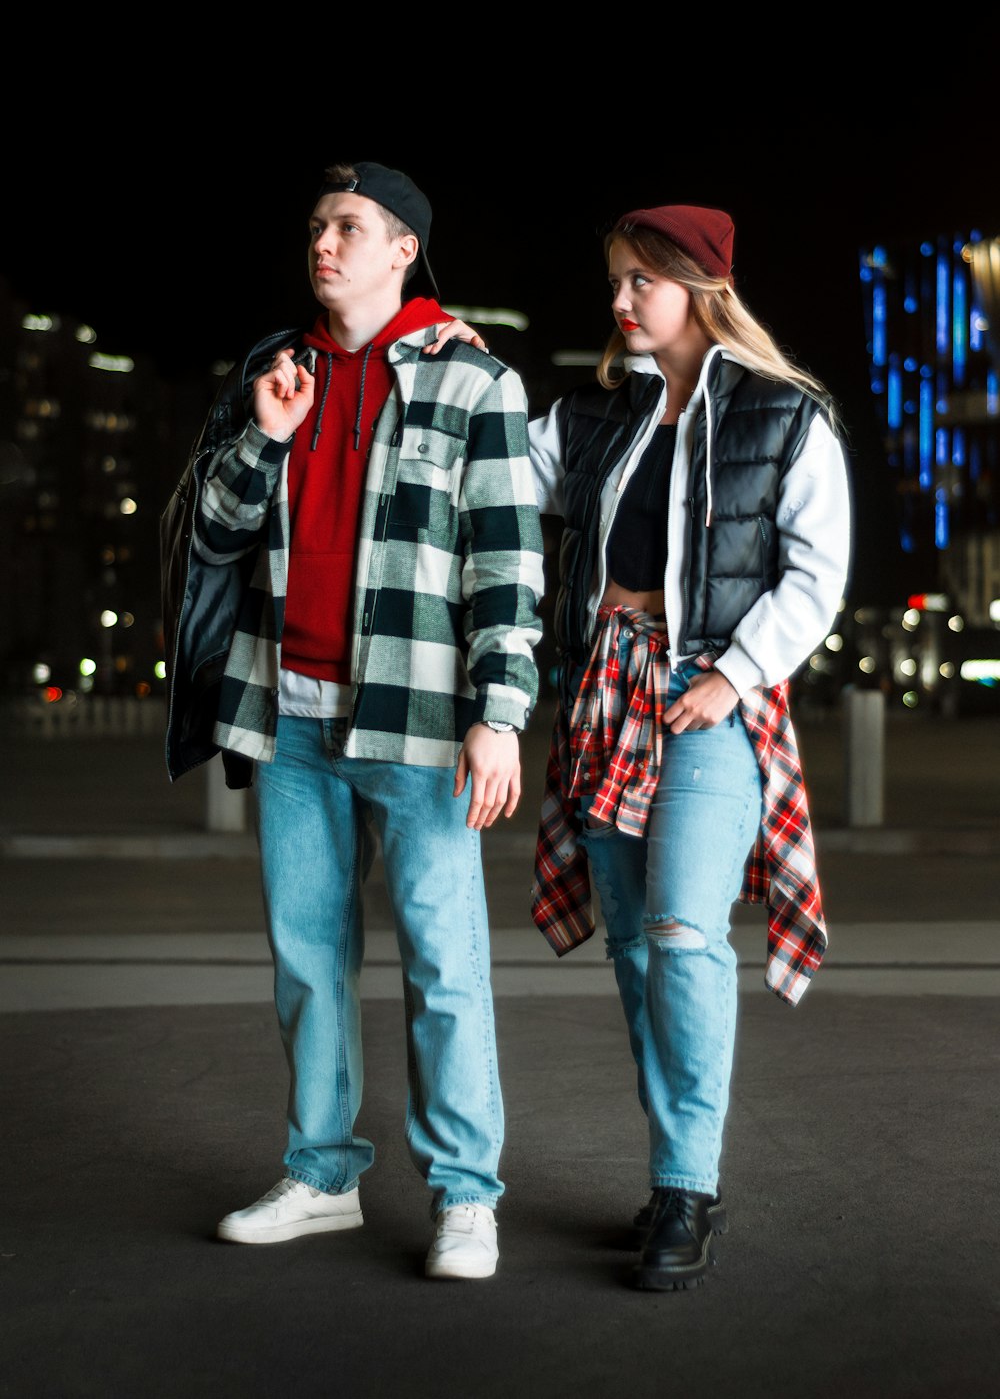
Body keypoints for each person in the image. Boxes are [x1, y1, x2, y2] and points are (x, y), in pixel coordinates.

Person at [160, 160, 544, 1280]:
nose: (322, 242)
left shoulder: (477, 384)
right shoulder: (277, 374)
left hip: (420, 725)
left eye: (349, 226)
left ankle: (467, 1196)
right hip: (289, 720)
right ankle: (323, 1173)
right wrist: (266, 436)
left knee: (444, 965)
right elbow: (216, 538)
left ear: (402, 250)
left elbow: (507, 566)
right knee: (307, 962)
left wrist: (500, 715)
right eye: (317, 225)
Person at [526, 202, 852, 1291]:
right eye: (614, 281)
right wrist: (459, 372)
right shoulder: (592, 419)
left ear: (698, 288)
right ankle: (674, 1172)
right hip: (601, 695)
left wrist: (730, 672)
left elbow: (815, 573)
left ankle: (686, 1188)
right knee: (631, 948)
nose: (619, 302)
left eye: (639, 282)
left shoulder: (782, 412)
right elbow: (493, 477)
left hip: (706, 700)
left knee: (680, 933)